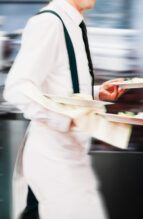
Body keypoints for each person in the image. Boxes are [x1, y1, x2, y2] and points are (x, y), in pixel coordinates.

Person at [4, 0, 126, 218]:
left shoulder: (73, 25)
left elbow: (63, 87)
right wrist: (64, 119)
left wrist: (96, 93)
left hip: (70, 154)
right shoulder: (49, 23)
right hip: (52, 156)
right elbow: (17, 88)